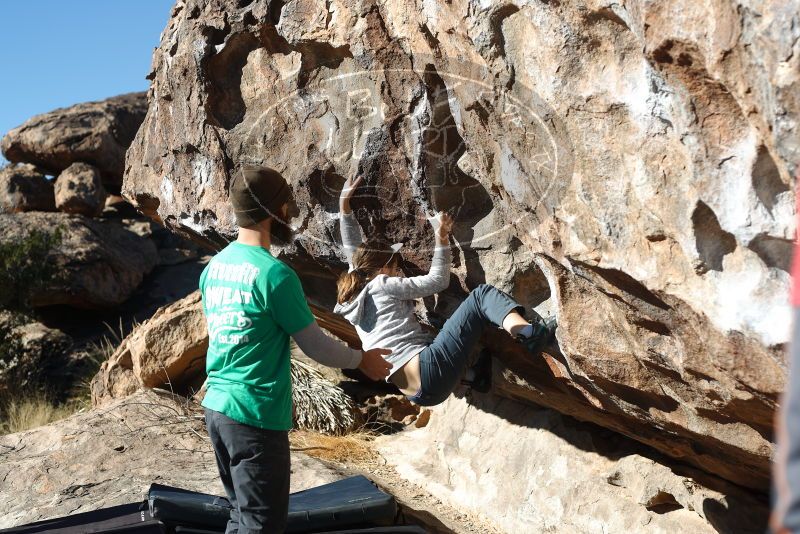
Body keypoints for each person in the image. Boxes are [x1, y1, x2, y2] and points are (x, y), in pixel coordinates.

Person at [199, 165, 392, 534]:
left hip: (218, 409)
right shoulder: (274, 275)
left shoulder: (215, 268)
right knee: (261, 527)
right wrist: (362, 360)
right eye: (287, 203)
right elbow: (315, 344)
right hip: (254, 416)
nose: (292, 211)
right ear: (275, 211)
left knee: (241, 518)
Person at [334, 175, 557, 407]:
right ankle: (531, 334)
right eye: (395, 267)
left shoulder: (354, 295)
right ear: (382, 269)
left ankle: (473, 378)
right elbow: (438, 281)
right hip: (430, 371)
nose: (397, 272)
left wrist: (344, 205)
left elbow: (354, 255)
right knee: (481, 297)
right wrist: (441, 237)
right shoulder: (381, 284)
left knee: (441, 326)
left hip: (419, 394)